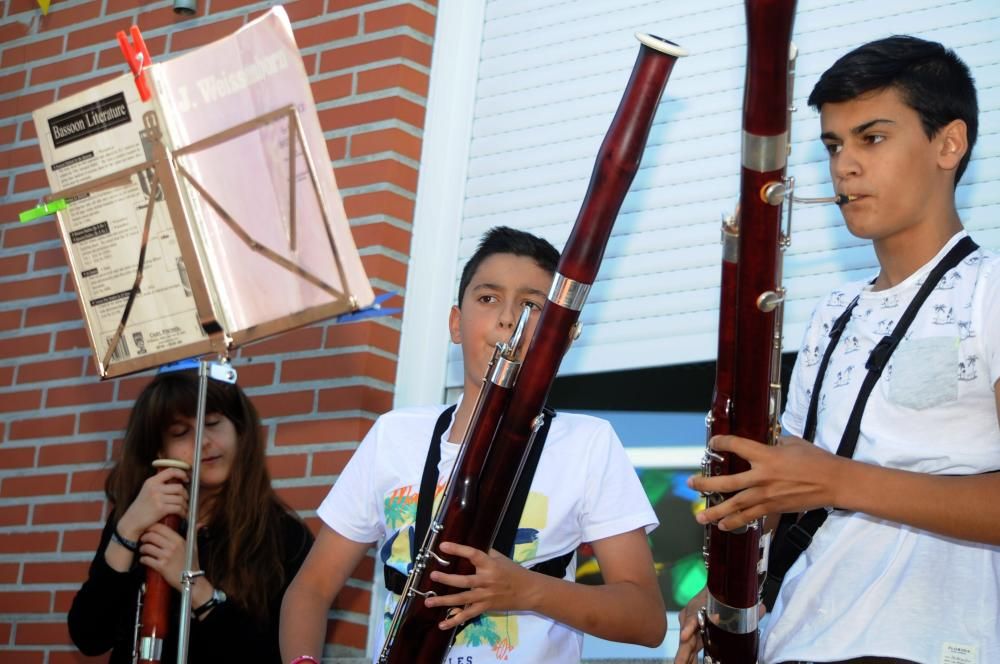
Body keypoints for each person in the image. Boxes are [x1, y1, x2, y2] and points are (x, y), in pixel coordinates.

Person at [676, 35, 1000, 664]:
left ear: (949, 143)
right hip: (792, 642)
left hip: (928, 648)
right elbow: (786, 494)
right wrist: (722, 596)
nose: (844, 165)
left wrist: (835, 480)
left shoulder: (990, 289)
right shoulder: (833, 311)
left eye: (871, 138)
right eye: (833, 145)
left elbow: (827, 480)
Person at [280, 226, 666, 663]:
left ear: (562, 336)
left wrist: (528, 590)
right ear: (455, 324)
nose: (508, 319)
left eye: (531, 305)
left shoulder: (588, 443)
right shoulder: (395, 435)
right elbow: (310, 588)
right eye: (488, 299)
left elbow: (646, 619)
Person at [68, 365, 314, 663]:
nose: (204, 442)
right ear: (159, 451)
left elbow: (274, 655)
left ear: (239, 430)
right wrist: (127, 529)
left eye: (212, 423)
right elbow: (89, 635)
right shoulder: (136, 519)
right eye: (181, 432)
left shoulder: (285, 536)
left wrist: (197, 588)